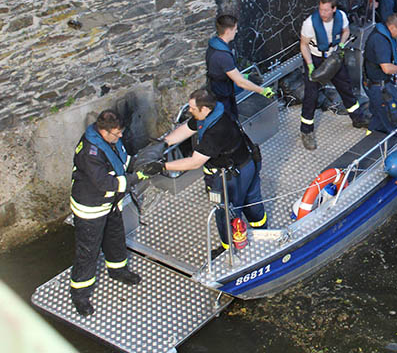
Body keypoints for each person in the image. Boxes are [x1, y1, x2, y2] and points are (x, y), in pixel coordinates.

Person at [69, 110, 161, 316]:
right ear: (103, 131)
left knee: (115, 237)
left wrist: (145, 160)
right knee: (88, 251)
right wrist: (138, 176)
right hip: (91, 208)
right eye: (117, 133)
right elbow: (106, 182)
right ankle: (80, 294)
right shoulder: (90, 153)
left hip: (110, 203)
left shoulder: (110, 141)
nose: (120, 136)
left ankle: (118, 270)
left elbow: (123, 160)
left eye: (121, 132)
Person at [163, 89, 267, 258]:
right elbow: (187, 129)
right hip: (246, 164)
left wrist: (162, 167)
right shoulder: (216, 111)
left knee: (226, 214)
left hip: (231, 177)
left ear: (204, 109)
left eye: (192, 108)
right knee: (252, 201)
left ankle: (231, 250)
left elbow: (195, 162)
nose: (189, 111)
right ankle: (263, 234)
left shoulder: (216, 132)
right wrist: (164, 143)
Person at [299, 0, 369, 150]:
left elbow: (346, 31)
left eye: (326, 10)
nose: (323, 13)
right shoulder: (309, 24)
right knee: (311, 96)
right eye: (321, 9)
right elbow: (303, 45)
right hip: (315, 59)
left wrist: (341, 46)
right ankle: (306, 131)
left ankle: (358, 119)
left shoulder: (341, 17)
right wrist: (310, 66)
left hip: (334, 58)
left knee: (346, 88)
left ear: (334, 9)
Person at [206, 14, 275, 121]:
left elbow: (226, 73)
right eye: (235, 29)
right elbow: (240, 82)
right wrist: (262, 90)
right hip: (222, 95)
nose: (236, 32)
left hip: (219, 87)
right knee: (228, 120)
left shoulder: (214, 44)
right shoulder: (222, 55)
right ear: (228, 31)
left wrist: (246, 76)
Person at [362, 13, 397, 136]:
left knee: (379, 114)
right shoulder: (381, 41)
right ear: (392, 27)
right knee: (394, 116)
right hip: (380, 87)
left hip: (373, 82)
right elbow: (386, 68)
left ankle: (372, 133)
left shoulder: (380, 33)